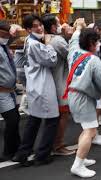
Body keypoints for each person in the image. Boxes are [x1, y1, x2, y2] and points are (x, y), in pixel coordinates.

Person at [12, 14, 59, 166]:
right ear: (28, 29)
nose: (39, 28)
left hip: (35, 84)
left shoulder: (28, 41)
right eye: (35, 26)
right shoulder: (36, 44)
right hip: (42, 85)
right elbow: (51, 60)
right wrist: (49, 45)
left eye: (40, 24)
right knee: (52, 120)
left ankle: (22, 153)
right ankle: (42, 155)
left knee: (34, 120)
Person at [66, 18, 101, 178]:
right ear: (92, 42)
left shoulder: (74, 51)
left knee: (86, 129)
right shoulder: (94, 60)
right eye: (98, 41)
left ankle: (80, 158)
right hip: (83, 98)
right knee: (90, 131)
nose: (99, 44)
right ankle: (77, 165)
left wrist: (78, 27)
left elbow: (74, 38)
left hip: (73, 94)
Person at [41, 13, 75, 156]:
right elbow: (72, 55)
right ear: (54, 27)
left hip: (50, 81)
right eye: (58, 23)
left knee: (55, 116)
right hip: (60, 82)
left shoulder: (45, 39)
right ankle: (58, 145)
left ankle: (53, 144)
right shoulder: (57, 40)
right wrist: (74, 35)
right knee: (63, 114)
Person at [0, 20, 21, 161]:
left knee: (15, 119)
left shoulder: (3, 45)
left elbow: (15, 35)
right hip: (1, 92)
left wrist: (15, 29)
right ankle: (8, 152)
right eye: (6, 33)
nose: (8, 35)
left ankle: (16, 148)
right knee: (12, 120)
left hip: (10, 91)